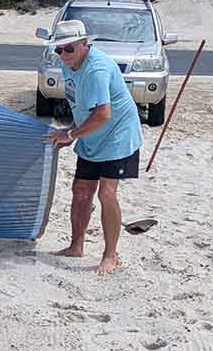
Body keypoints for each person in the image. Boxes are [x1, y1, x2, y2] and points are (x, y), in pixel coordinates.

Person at [44, 19, 143, 274]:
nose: (63, 54)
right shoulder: (69, 64)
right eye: (58, 49)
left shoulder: (97, 69)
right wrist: (72, 134)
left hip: (117, 135)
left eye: (69, 49)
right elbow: (79, 103)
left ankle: (111, 255)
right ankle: (76, 246)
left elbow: (103, 114)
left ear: (85, 44)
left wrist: (72, 134)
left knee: (106, 193)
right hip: (91, 135)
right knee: (81, 189)